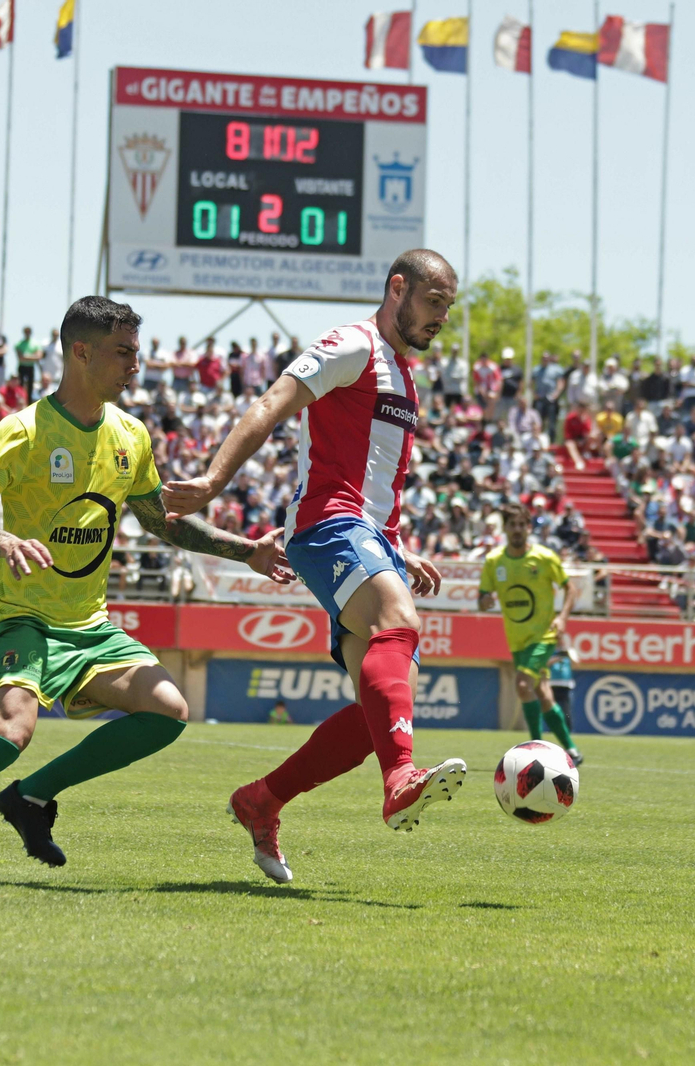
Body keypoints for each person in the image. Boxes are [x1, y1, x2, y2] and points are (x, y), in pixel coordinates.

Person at [0, 296, 291, 890]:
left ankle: (32, 797)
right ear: (79, 352)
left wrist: (248, 551)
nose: (136, 366)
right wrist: (2, 540)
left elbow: (161, 522)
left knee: (169, 711)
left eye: (137, 353)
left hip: (89, 627)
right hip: (22, 618)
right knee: (9, 734)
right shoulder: (23, 431)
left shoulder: (130, 436)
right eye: (123, 353)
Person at [162, 248, 465, 886]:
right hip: (328, 524)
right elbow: (274, 401)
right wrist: (216, 480)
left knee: (372, 714)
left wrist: (395, 547)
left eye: (448, 308)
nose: (441, 318)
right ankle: (402, 779)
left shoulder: (404, 376)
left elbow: (376, 478)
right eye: (433, 302)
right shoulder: (351, 345)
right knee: (399, 621)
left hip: (371, 535)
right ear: (397, 288)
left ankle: (261, 800)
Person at [478, 502, 583, 765]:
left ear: (528, 528)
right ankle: (570, 749)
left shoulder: (545, 558)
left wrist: (562, 618)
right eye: (511, 525)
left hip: (544, 635)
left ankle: (536, 748)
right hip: (517, 639)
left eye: (521, 525)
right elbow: (482, 597)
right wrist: (485, 602)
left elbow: (571, 589)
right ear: (505, 529)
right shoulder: (494, 562)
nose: (516, 530)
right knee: (544, 694)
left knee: (523, 685)